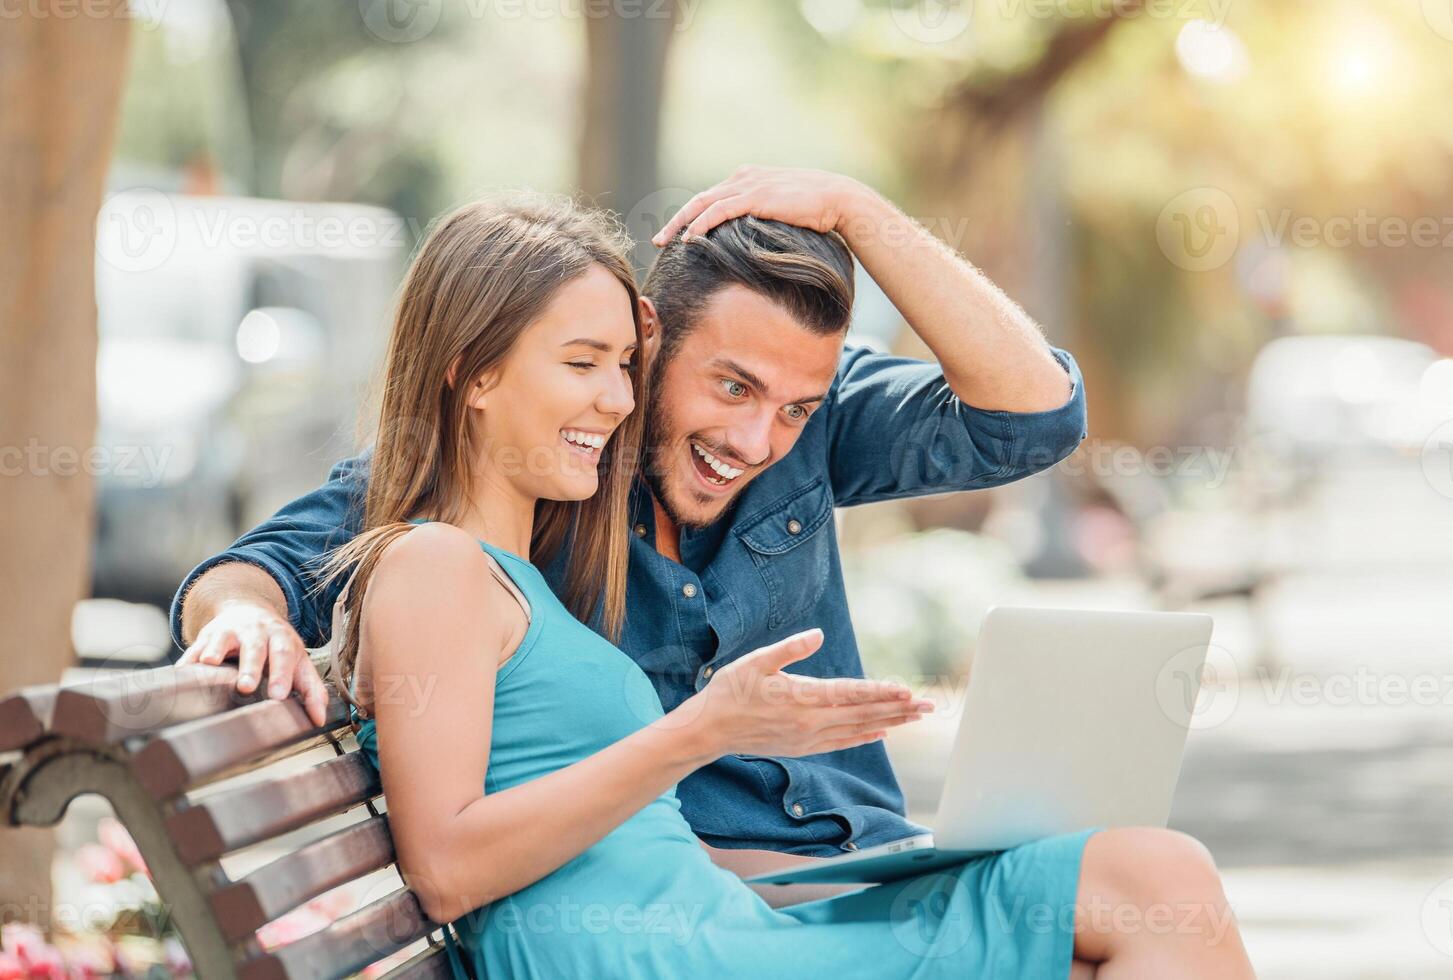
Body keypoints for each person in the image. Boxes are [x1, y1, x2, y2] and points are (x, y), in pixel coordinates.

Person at [251, 192, 1251, 978]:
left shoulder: (512, 563)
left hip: (713, 922)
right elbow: (444, 865)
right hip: (669, 948)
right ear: (472, 374)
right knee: (1150, 878)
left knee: (1140, 902)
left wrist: (857, 212)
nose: (614, 400)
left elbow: (1031, 416)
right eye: (584, 363)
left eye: (618, 365)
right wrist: (702, 728)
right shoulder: (436, 561)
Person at [172, 168, 1087, 876]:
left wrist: (856, 211)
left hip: (869, 858)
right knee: (1115, 891)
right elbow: (265, 567)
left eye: (795, 407)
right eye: (731, 386)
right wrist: (240, 614)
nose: (756, 437)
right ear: (650, 338)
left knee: (1108, 891)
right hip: (706, 887)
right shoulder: (529, 470)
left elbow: (1036, 420)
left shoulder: (812, 417)